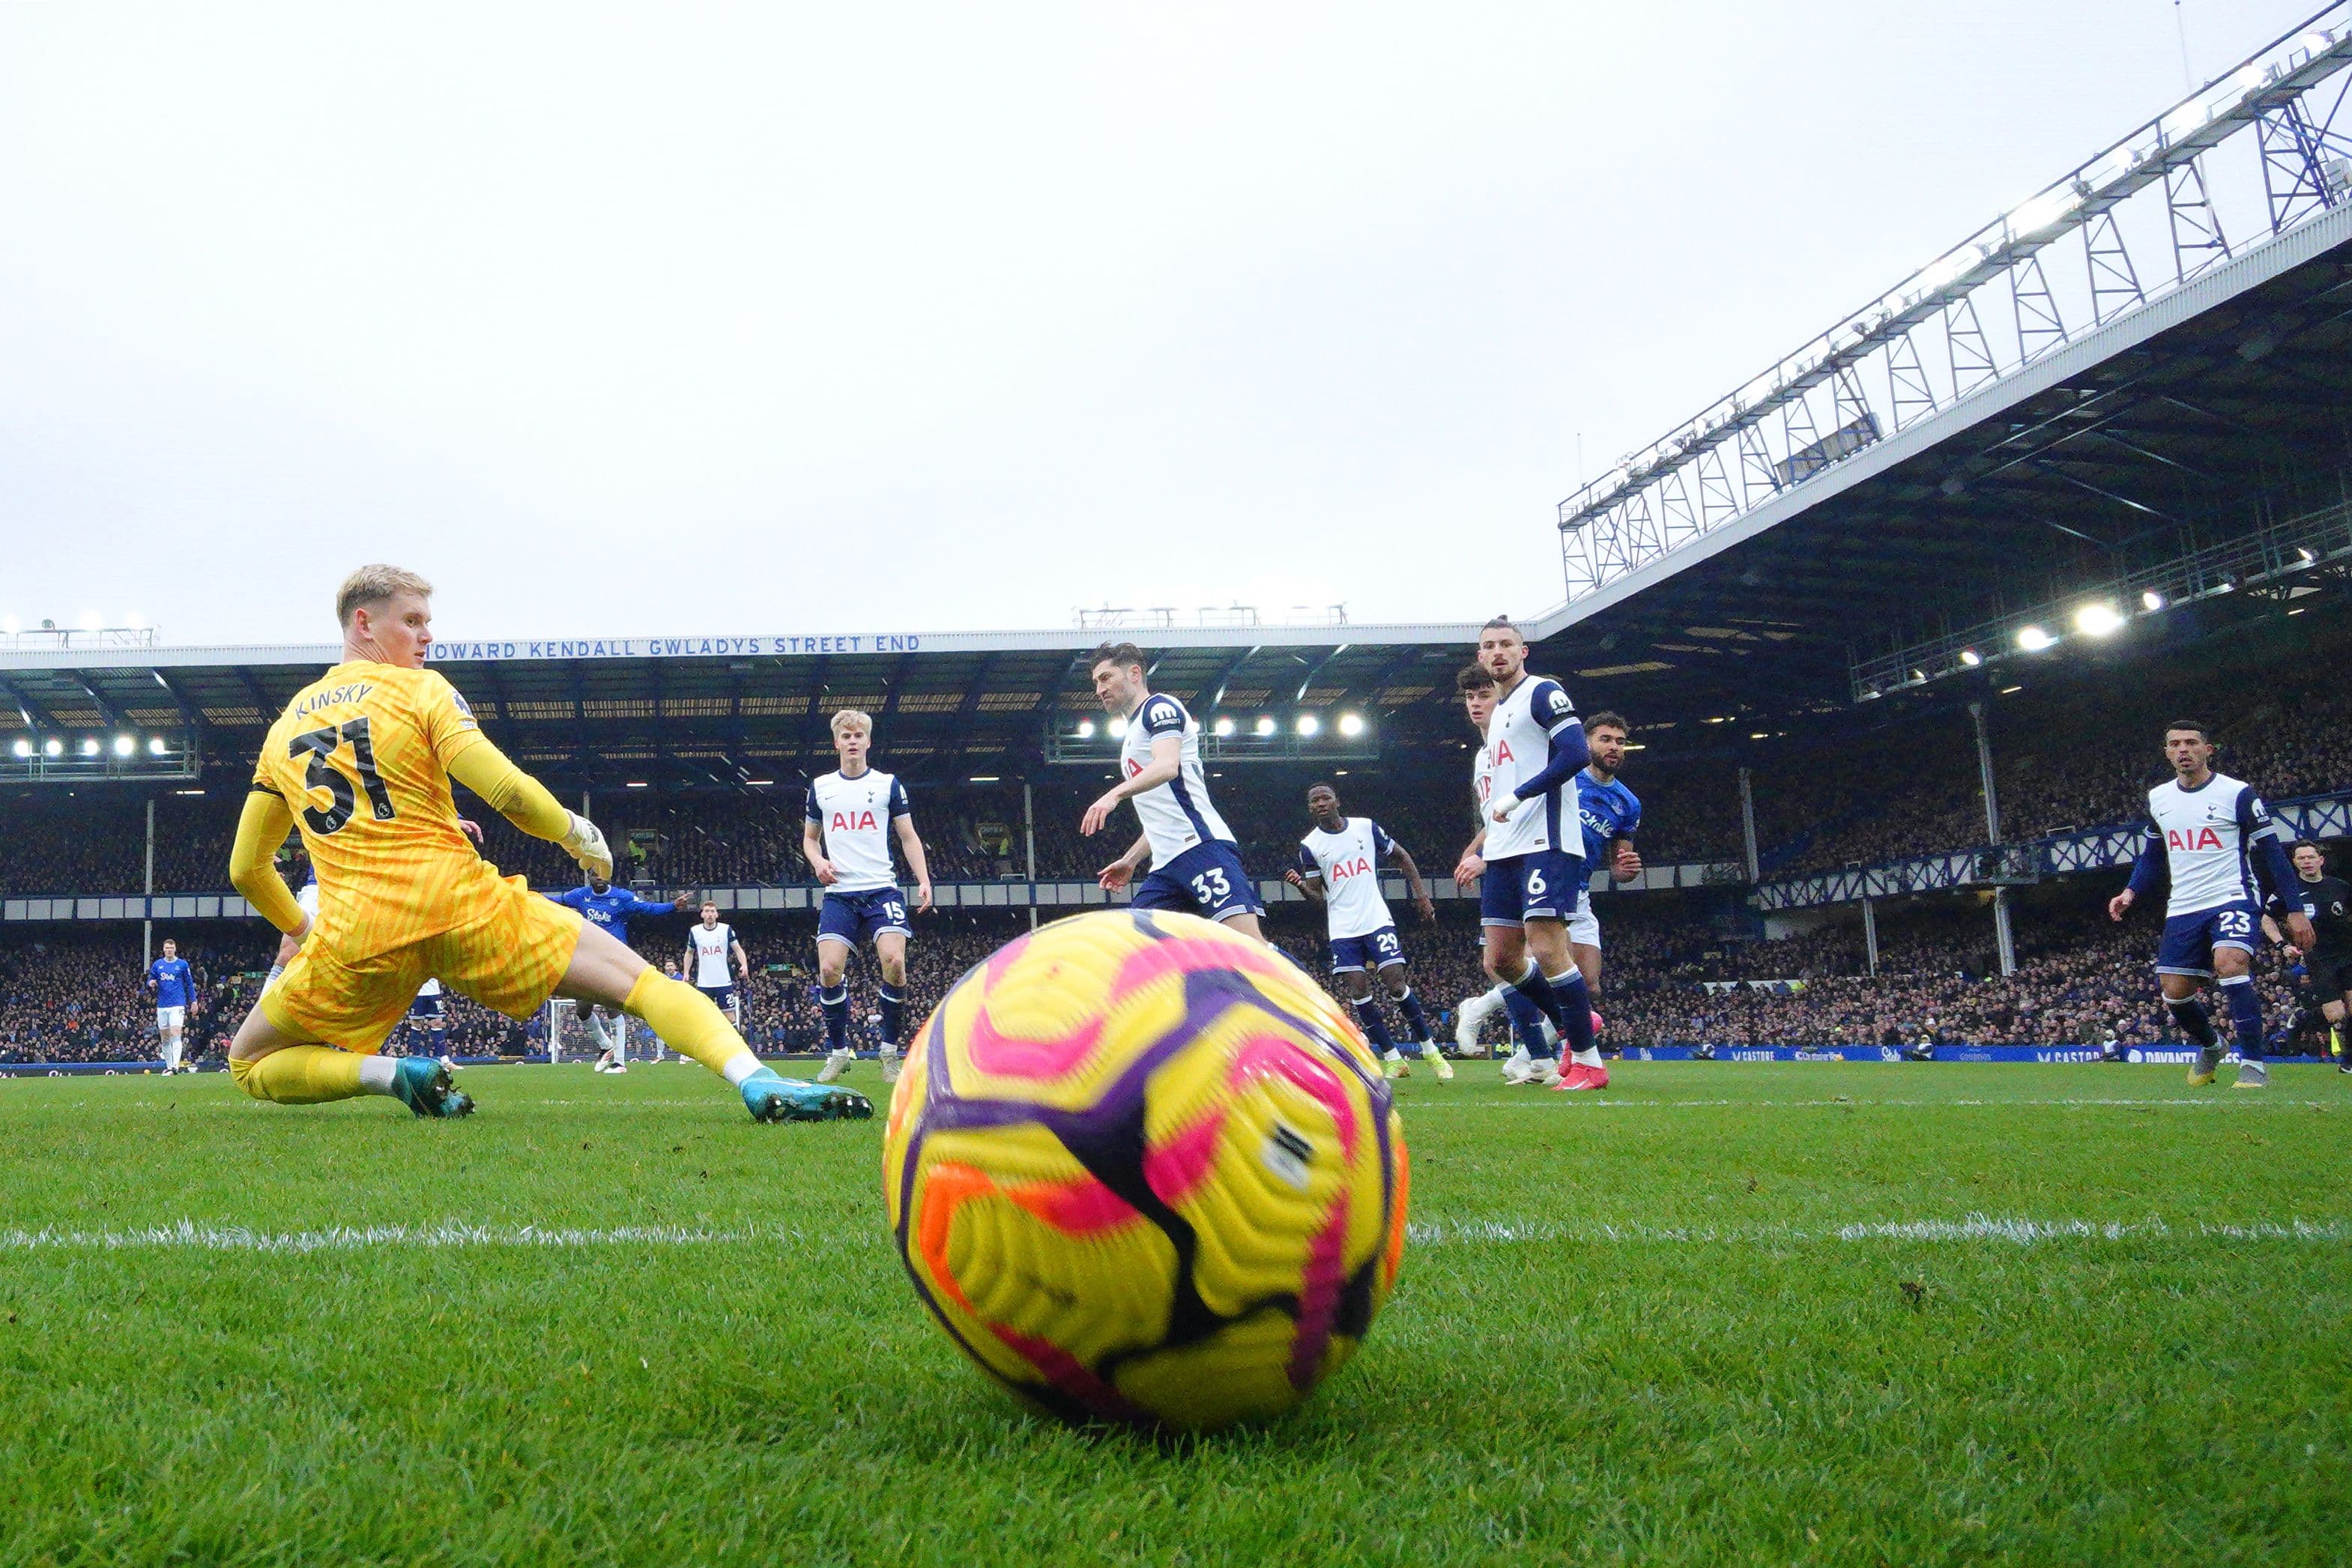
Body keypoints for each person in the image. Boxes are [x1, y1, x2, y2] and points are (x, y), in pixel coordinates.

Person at [223, 563, 865, 1122]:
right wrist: (580, 835)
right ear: (364, 623)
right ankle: (755, 1079)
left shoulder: (283, 729)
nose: (428, 635)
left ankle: (390, 1074)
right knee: (638, 984)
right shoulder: (421, 690)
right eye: (413, 620)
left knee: (249, 1061)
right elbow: (507, 792)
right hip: (461, 907)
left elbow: (247, 869)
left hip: (356, 936)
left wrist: (303, 928)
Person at [2108, 719, 2312, 1089]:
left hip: (2232, 895)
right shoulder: (2159, 798)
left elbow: (2273, 852)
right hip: (2184, 905)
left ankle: (2253, 1063)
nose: (2183, 750)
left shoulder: (2237, 793)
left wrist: (2295, 909)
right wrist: (2130, 892)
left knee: (2229, 963)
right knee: (2175, 992)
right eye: (2175, 744)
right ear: (2167, 752)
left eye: (2191, 743)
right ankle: (2211, 1044)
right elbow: (2153, 855)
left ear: (2208, 749)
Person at [1466, 617, 1605, 1092]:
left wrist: (1518, 796)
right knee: (1501, 958)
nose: (1498, 651)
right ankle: (1576, 1024)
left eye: (1507, 644)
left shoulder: (1543, 692)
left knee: (1545, 947)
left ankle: (1588, 1061)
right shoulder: (1498, 715)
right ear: (1481, 657)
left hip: (1545, 840)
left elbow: (1575, 754)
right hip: (1503, 849)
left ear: (1523, 651)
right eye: (1489, 646)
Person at [1080, 642, 1266, 936]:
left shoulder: (1160, 707)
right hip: (1165, 867)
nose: (1099, 689)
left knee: (1249, 947)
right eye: (1095, 683)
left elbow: (1168, 766)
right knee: (1135, 945)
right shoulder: (1131, 734)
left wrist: (1113, 794)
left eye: (1106, 678)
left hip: (1201, 848)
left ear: (1134, 673)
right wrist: (1130, 860)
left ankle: (1301, 982)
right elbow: (1163, 814)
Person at [802, 708, 934, 1084]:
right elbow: (810, 840)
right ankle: (839, 1052)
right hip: (840, 893)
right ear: (837, 743)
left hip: (881, 888)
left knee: (894, 960)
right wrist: (817, 862)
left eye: (858, 735)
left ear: (869, 741)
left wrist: (923, 879)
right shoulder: (821, 787)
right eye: (846, 736)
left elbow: (908, 836)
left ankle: (889, 1051)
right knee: (829, 969)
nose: (853, 741)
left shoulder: (889, 784)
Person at [1286, 782, 1448, 1081]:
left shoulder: (1365, 828)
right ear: (1310, 808)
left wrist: (1422, 896)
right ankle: (1393, 1058)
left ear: (1338, 801)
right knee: (1359, 991)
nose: (1320, 803)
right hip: (1343, 927)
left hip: (1375, 918)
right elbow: (1317, 898)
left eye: (1325, 798)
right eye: (1314, 801)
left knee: (1396, 985)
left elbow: (1401, 856)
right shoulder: (1310, 845)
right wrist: (1300, 886)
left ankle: (1430, 1050)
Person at [1448, 662, 1559, 1080]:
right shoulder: (1483, 756)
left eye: (1485, 695)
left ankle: (1572, 1043)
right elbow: (1495, 816)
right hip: (1503, 857)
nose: (1476, 704)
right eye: (1470, 697)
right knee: (1501, 962)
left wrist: (1485, 856)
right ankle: (1540, 1055)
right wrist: (1479, 848)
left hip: (1535, 856)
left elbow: (1524, 810)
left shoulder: (1517, 746)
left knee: (1545, 959)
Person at [544, 872, 696, 1071]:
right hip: (589, 960)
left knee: (612, 1008)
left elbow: (647, 908)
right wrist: (528, 895)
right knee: (582, 1010)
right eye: (594, 873)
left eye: (602, 873)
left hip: (613, 961)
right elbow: (555, 901)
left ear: (608, 876)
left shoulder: (622, 897)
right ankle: (605, 1046)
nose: (598, 877)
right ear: (589, 877)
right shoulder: (580, 896)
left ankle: (619, 1062)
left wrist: (672, 906)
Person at [1569, 712, 1644, 1030]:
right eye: (1605, 739)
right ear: (1587, 743)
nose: (1614, 747)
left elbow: (1618, 868)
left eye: (1620, 742)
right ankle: (1482, 1009)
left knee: (1590, 987)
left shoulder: (1628, 803)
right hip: (1545, 881)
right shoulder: (1565, 777)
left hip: (1580, 892)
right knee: (1536, 967)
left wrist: (1626, 871)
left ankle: (1527, 1056)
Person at [2264, 839, 2352, 1071]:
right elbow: (2266, 918)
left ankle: (2348, 1063)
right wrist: (2282, 944)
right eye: (2301, 858)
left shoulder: (2340, 887)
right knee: (2336, 1016)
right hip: (2319, 959)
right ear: (2295, 863)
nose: (2307, 862)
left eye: (2311, 857)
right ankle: (2302, 1018)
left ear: (2320, 860)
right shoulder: (2289, 890)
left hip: (2348, 952)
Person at [684, 902, 754, 1030]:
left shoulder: (726, 929)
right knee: (703, 1016)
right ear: (702, 914)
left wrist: (744, 965)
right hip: (704, 983)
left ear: (717, 914)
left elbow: (738, 949)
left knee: (729, 1015)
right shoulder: (695, 931)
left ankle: (736, 1044)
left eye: (712, 911)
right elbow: (689, 952)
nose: (709, 914)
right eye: (707, 911)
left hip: (723, 981)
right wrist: (686, 973)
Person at [145, 937, 196, 1074]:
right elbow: (150, 979)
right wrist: (150, 983)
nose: (169, 950)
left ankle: (175, 1066)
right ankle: (169, 1066)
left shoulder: (182, 965)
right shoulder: (157, 965)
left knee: (175, 1033)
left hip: (177, 1004)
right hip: (162, 1005)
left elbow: (189, 984)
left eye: (171, 948)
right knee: (165, 1037)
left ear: (175, 949)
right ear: (164, 949)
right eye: (167, 948)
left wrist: (194, 1001)